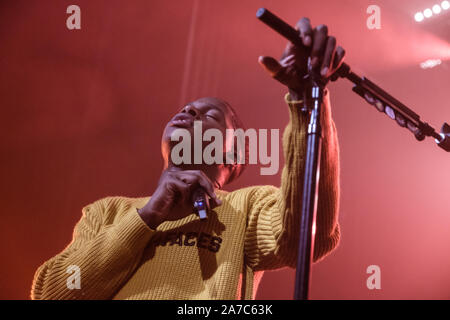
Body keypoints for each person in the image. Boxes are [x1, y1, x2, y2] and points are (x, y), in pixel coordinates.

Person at [31, 17, 344, 300]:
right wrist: (146, 217)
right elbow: (52, 295)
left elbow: (305, 235)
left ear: (234, 156)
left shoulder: (246, 208)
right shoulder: (107, 212)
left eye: (212, 115)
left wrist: (307, 100)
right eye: (185, 110)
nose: (190, 111)